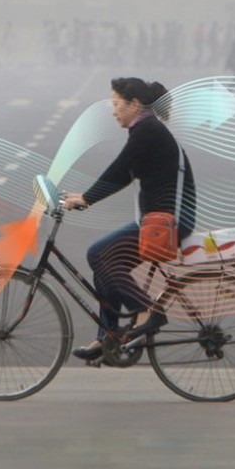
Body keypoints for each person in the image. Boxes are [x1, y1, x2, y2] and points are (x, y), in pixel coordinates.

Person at [61, 77, 197, 362]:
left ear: (135, 105)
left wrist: (86, 198)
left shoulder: (147, 130)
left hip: (168, 223)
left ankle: (147, 310)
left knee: (98, 254)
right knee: (104, 260)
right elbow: (124, 174)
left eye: (116, 104)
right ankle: (108, 337)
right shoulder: (145, 130)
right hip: (158, 220)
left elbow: (119, 167)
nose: (113, 111)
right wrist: (86, 197)